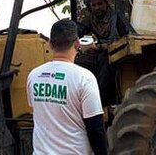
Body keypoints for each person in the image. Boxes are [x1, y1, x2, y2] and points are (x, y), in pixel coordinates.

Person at [27, 19, 107, 155]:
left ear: (50, 43)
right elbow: (96, 128)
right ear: (77, 42)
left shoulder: (34, 76)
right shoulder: (84, 78)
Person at [75, 0, 128, 106]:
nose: (97, 8)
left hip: (115, 53)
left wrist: (99, 47)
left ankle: (102, 101)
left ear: (106, 3)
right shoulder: (91, 19)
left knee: (104, 63)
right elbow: (80, 29)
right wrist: (73, 37)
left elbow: (122, 40)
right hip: (98, 52)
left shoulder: (115, 18)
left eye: (100, 4)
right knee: (79, 62)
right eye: (93, 5)